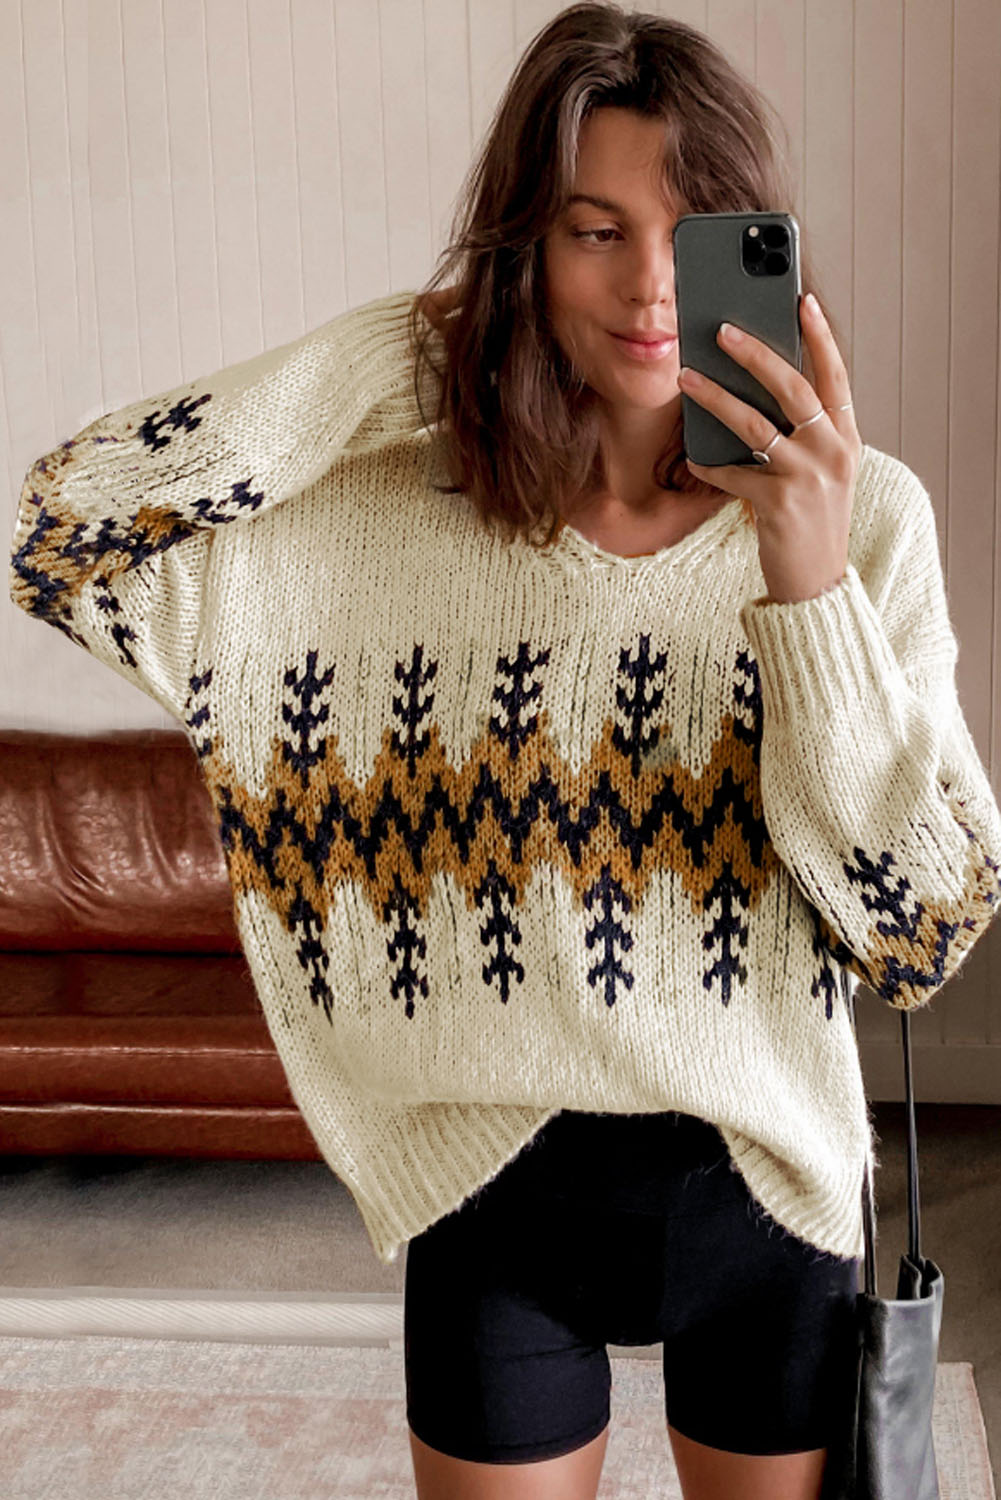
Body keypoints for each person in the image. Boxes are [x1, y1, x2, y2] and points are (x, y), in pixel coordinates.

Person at [9, 4, 1001, 1498]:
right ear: (523, 250)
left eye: (694, 232)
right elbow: (64, 529)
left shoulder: (866, 523)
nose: (652, 284)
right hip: (490, 1197)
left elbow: (922, 928)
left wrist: (807, 591)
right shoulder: (392, 517)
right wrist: (399, 355)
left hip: (766, 1206)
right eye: (595, 231)